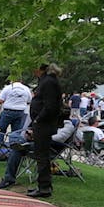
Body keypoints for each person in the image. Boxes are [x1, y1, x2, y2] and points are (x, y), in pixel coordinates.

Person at [0, 109, 77, 189]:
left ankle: (9, 177)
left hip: (50, 149)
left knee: (18, 147)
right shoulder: (52, 122)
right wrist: (32, 134)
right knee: (16, 143)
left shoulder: (68, 126)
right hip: (38, 144)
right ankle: (9, 177)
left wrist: (37, 136)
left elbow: (59, 138)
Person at [26, 63, 63, 198]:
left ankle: (44, 187)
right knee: (41, 155)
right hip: (42, 123)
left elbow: (50, 105)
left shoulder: (48, 82)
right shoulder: (47, 81)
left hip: (44, 124)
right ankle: (43, 185)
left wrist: (38, 119)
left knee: (42, 156)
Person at [0, 80, 32, 145]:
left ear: (12, 80)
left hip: (7, 111)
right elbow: (29, 100)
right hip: (20, 112)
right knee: (15, 132)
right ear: (21, 80)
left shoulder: (7, 88)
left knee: (1, 131)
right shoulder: (26, 89)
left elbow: (0, 100)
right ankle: (13, 146)